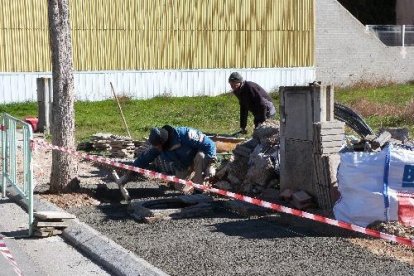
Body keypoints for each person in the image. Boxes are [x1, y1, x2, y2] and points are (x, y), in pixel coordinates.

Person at [112, 125, 217, 198]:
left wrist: (211, 164)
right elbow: (143, 160)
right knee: (179, 187)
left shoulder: (185, 134)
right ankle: (192, 184)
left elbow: (210, 144)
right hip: (183, 164)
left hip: (198, 159)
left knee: (201, 156)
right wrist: (128, 175)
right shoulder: (158, 147)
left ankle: (199, 192)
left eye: (158, 146)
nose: (157, 148)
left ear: (164, 141)